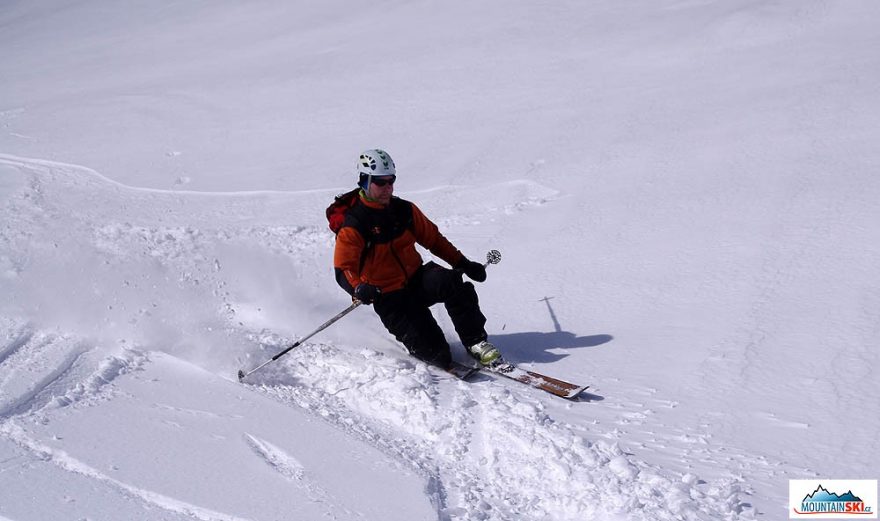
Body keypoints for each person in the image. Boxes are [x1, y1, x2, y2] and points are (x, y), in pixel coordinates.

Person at [333, 149, 501, 368]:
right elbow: (343, 268)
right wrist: (358, 288)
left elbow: (434, 240)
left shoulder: (403, 210)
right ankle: (430, 347)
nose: (388, 188)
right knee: (438, 357)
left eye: (391, 181)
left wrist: (464, 264)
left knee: (452, 281)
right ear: (365, 181)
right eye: (380, 183)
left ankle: (476, 342)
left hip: (416, 279)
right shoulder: (355, 223)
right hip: (388, 296)